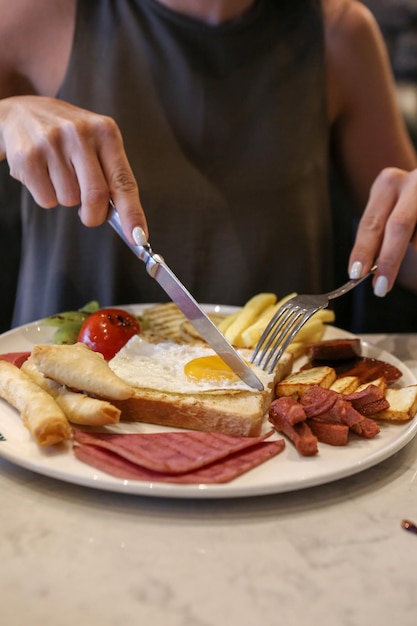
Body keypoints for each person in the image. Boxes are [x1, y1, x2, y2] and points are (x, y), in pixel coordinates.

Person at [0, 0, 417, 328]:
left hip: (277, 418)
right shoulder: (37, 12)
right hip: (57, 414)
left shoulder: (340, 33)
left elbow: (405, 260)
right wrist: (6, 118)